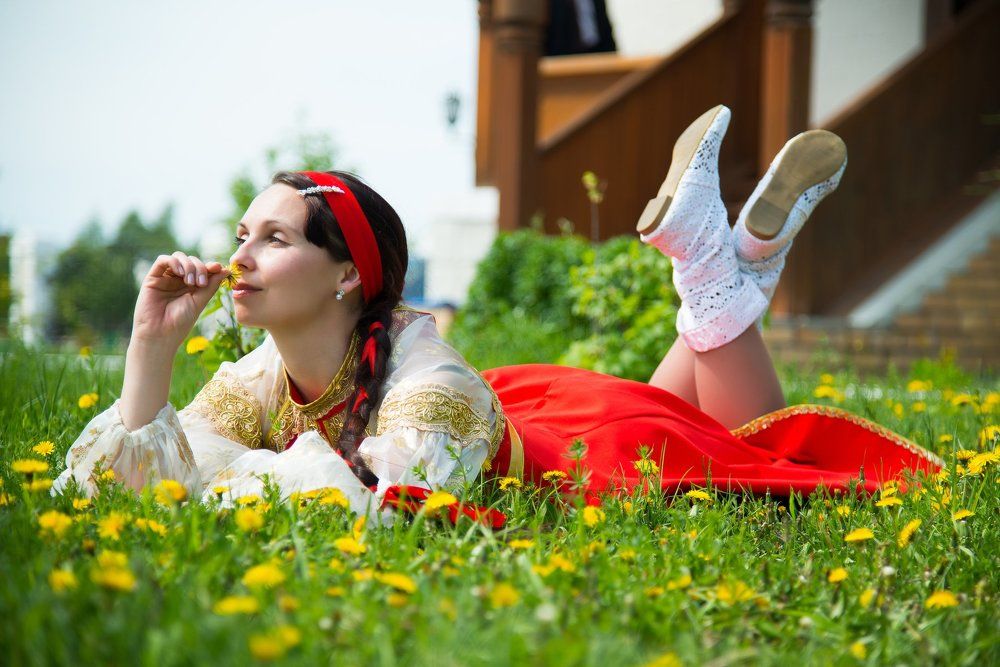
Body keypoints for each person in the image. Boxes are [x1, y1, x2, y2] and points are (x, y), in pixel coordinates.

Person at [53, 105, 942, 523]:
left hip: (583, 468)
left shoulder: (429, 380)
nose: (240, 255)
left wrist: (220, 477)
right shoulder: (258, 376)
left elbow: (375, 510)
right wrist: (150, 347)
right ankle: (730, 260)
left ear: (345, 276)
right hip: (567, 416)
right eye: (242, 234)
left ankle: (714, 262)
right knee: (685, 401)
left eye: (274, 239)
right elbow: (124, 486)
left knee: (756, 455)